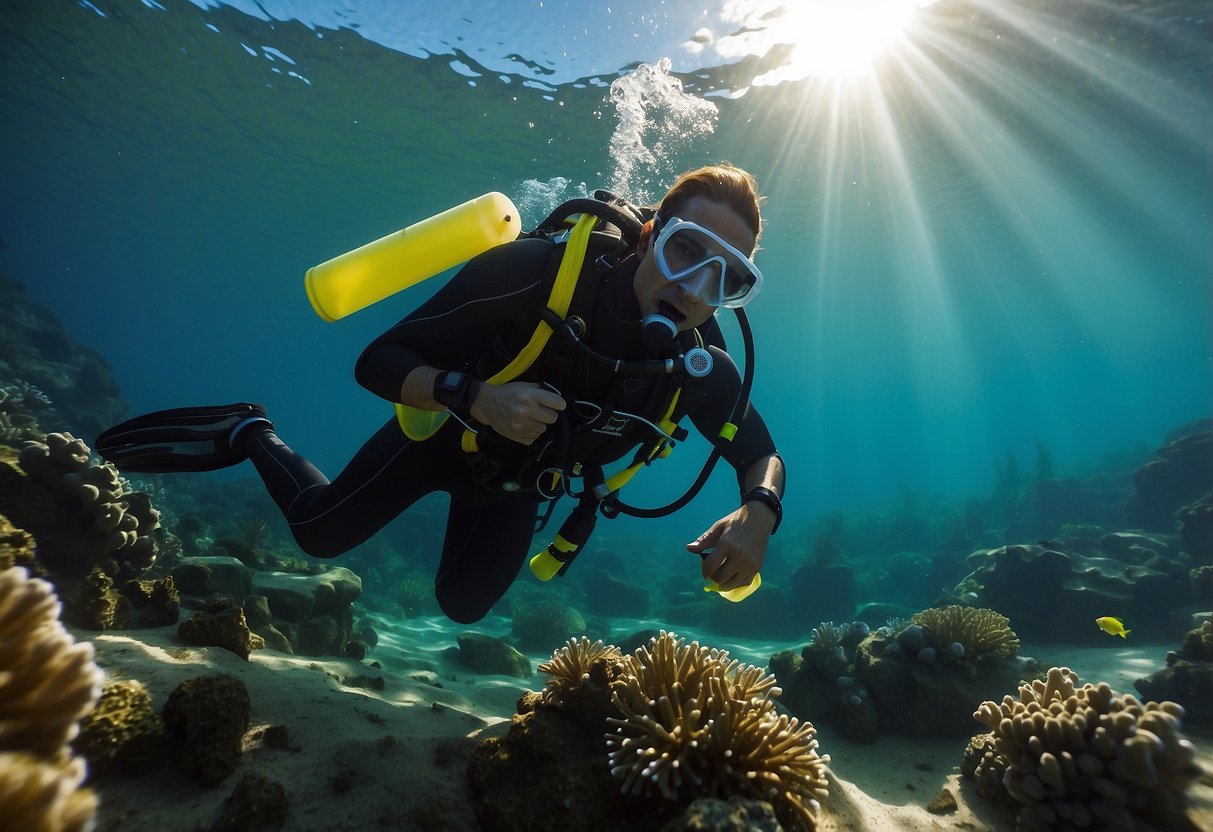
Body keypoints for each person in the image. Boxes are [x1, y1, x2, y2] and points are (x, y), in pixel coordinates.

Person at [97, 163, 785, 623]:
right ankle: (250, 428)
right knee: (319, 533)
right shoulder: (532, 275)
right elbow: (377, 361)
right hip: (442, 437)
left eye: (726, 277)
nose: (694, 287)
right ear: (648, 235)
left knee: (462, 606)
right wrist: (475, 397)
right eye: (686, 249)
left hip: (519, 486)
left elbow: (760, 454)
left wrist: (758, 514)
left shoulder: (697, 371)